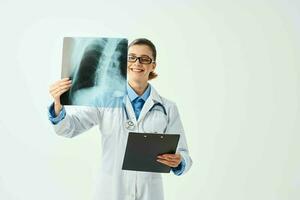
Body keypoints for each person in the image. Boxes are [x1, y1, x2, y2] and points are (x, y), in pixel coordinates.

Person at [48, 38, 192, 200]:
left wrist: (179, 161)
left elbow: (184, 155)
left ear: (153, 65)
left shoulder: (167, 108)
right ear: (124, 61)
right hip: (111, 192)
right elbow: (69, 128)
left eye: (144, 59)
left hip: (149, 193)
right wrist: (58, 105)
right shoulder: (106, 100)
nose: (137, 63)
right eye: (131, 57)